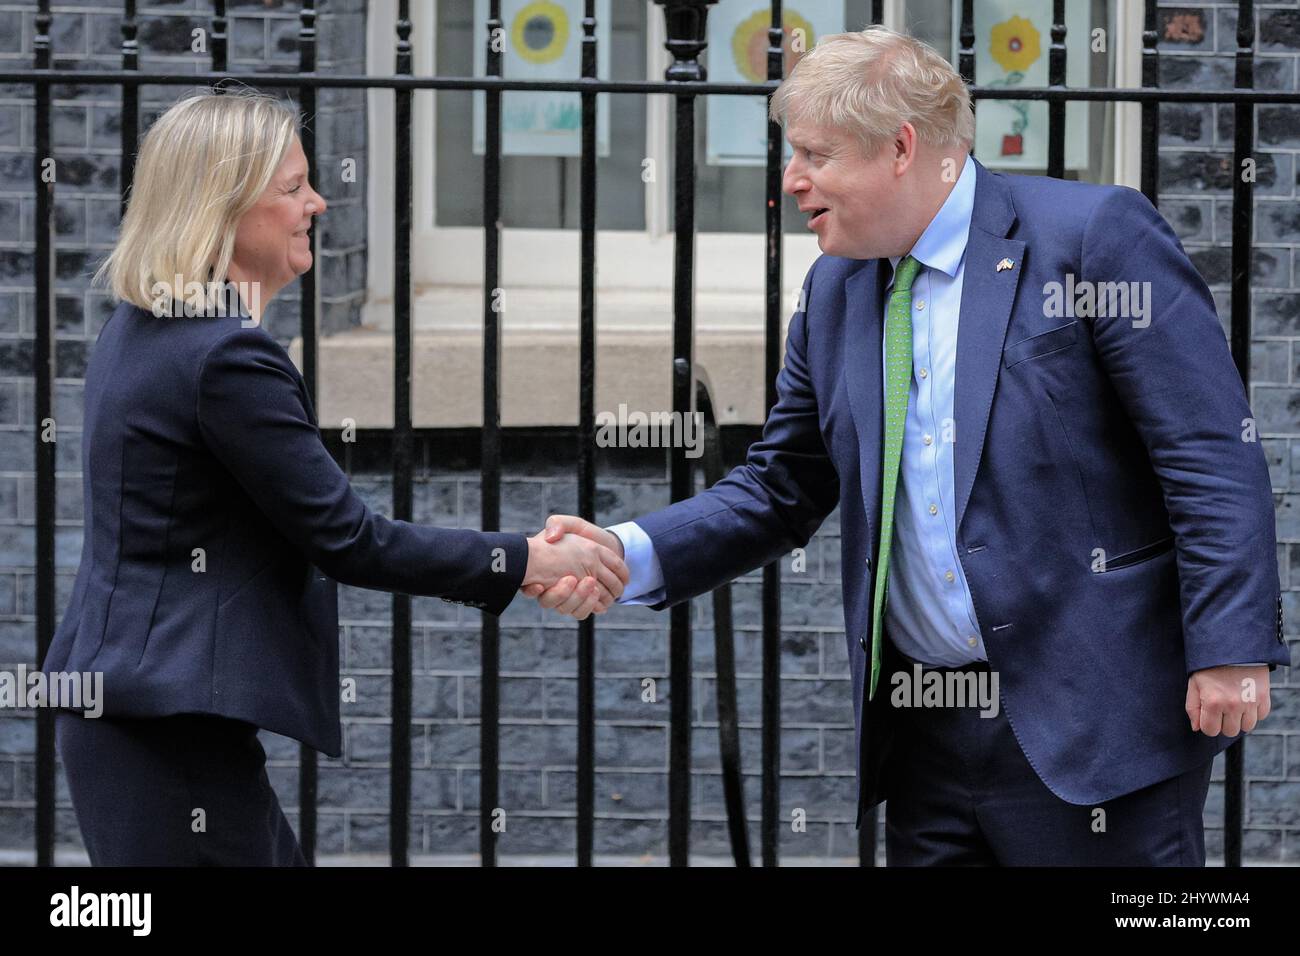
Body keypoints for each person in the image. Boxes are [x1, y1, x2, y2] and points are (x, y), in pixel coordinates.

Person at [525, 26, 1289, 865]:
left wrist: (1230, 647)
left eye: (815, 154)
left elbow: (1210, 454)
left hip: (1094, 726)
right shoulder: (837, 286)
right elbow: (781, 485)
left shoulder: (1093, 237)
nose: (792, 181)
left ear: (900, 147)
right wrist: (622, 554)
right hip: (923, 735)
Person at [40, 90, 627, 866]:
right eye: (291, 188)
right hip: (160, 724)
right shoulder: (224, 356)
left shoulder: (146, 330)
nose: (316, 202)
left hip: (143, 710)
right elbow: (349, 538)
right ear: (222, 204)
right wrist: (527, 558)